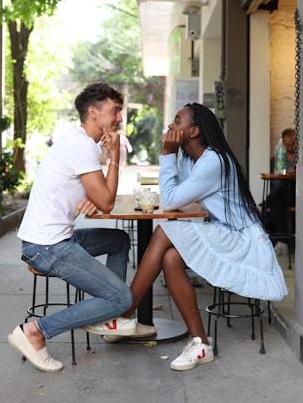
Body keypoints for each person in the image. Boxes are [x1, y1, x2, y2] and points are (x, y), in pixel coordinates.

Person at [84, 102, 287, 371]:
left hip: (244, 241)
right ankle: (201, 343)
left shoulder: (214, 161)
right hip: (223, 232)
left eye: (177, 121)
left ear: (193, 131)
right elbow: (179, 197)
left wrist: (167, 153)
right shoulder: (192, 158)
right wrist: (174, 156)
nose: (170, 126)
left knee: (165, 228)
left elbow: (169, 200)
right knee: (170, 258)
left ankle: (123, 313)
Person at [7, 82, 136, 372]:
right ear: (93, 112)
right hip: (47, 247)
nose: (119, 118)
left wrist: (94, 196)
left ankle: (109, 318)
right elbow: (106, 201)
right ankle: (36, 331)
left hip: (54, 239)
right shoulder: (80, 145)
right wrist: (114, 158)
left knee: (118, 240)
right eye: (114, 111)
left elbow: (97, 196)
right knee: (121, 297)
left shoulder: (79, 142)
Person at [263, 128, 296, 256]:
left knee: (284, 187)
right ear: (283, 143)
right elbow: (275, 182)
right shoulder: (278, 158)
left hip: (297, 194)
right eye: (288, 145)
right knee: (280, 192)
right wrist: (287, 174)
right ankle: (283, 242)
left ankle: (263, 205)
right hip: (283, 194)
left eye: (293, 144)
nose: (291, 147)